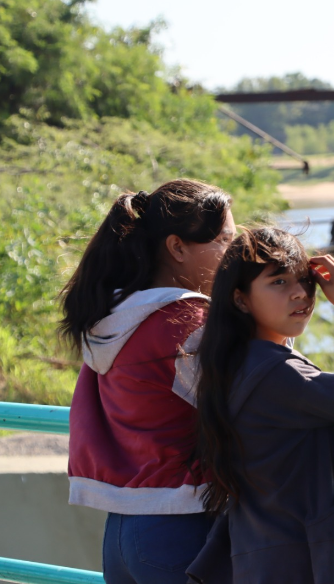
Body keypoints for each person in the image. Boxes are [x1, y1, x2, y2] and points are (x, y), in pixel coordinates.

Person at [188, 227, 334, 584]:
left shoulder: (234, 363)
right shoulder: (278, 372)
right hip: (300, 559)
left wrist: (328, 418)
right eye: (279, 282)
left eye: (304, 280)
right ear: (241, 300)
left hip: (259, 552)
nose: (301, 293)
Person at [60, 179, 236, 584]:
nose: (234, 256)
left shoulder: (115, 316)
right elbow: (257, 402)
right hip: (183, 525)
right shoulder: (186, 321)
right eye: (225, 241)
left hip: (123, 528)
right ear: (177, 248)